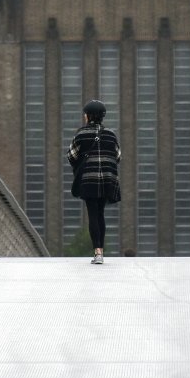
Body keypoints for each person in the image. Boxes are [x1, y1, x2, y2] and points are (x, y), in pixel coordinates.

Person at [67, 99, 122, 264]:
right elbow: (118, 157)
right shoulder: (111, 135)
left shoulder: (81, 134)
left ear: (88, 116)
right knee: (100, 214)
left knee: (92, 214)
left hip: (89, 180)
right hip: (107, 180)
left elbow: (71, 156)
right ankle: (101, 251)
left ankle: (97, 252)